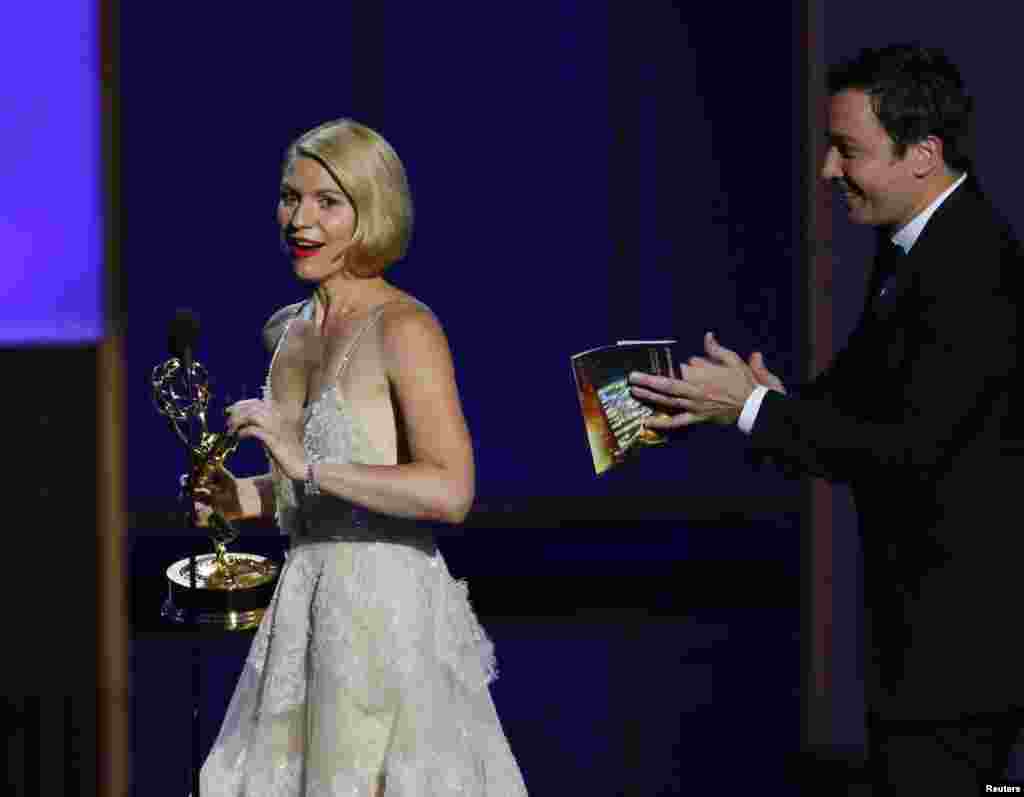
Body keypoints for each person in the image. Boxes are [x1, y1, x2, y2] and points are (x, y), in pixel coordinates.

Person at [629, 44, 1023, 793]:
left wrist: (752, 408)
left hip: (957, 662)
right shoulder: (913, 247)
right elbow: (857, 405)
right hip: (918, 654)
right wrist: (759, 400)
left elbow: (905, 447)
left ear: (923, 154)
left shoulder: (972, 267)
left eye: (847, 150)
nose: (827, 172)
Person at [195, 119, 528, 796]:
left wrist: (306, 465)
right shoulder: (289, 333)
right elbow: (302, 490)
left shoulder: (406, 327)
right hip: (304, 619)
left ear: (370, 213)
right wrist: (240, 497)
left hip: (385, 622)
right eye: (291, 197)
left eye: (328, 202)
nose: (300, 219)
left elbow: (451, 488)